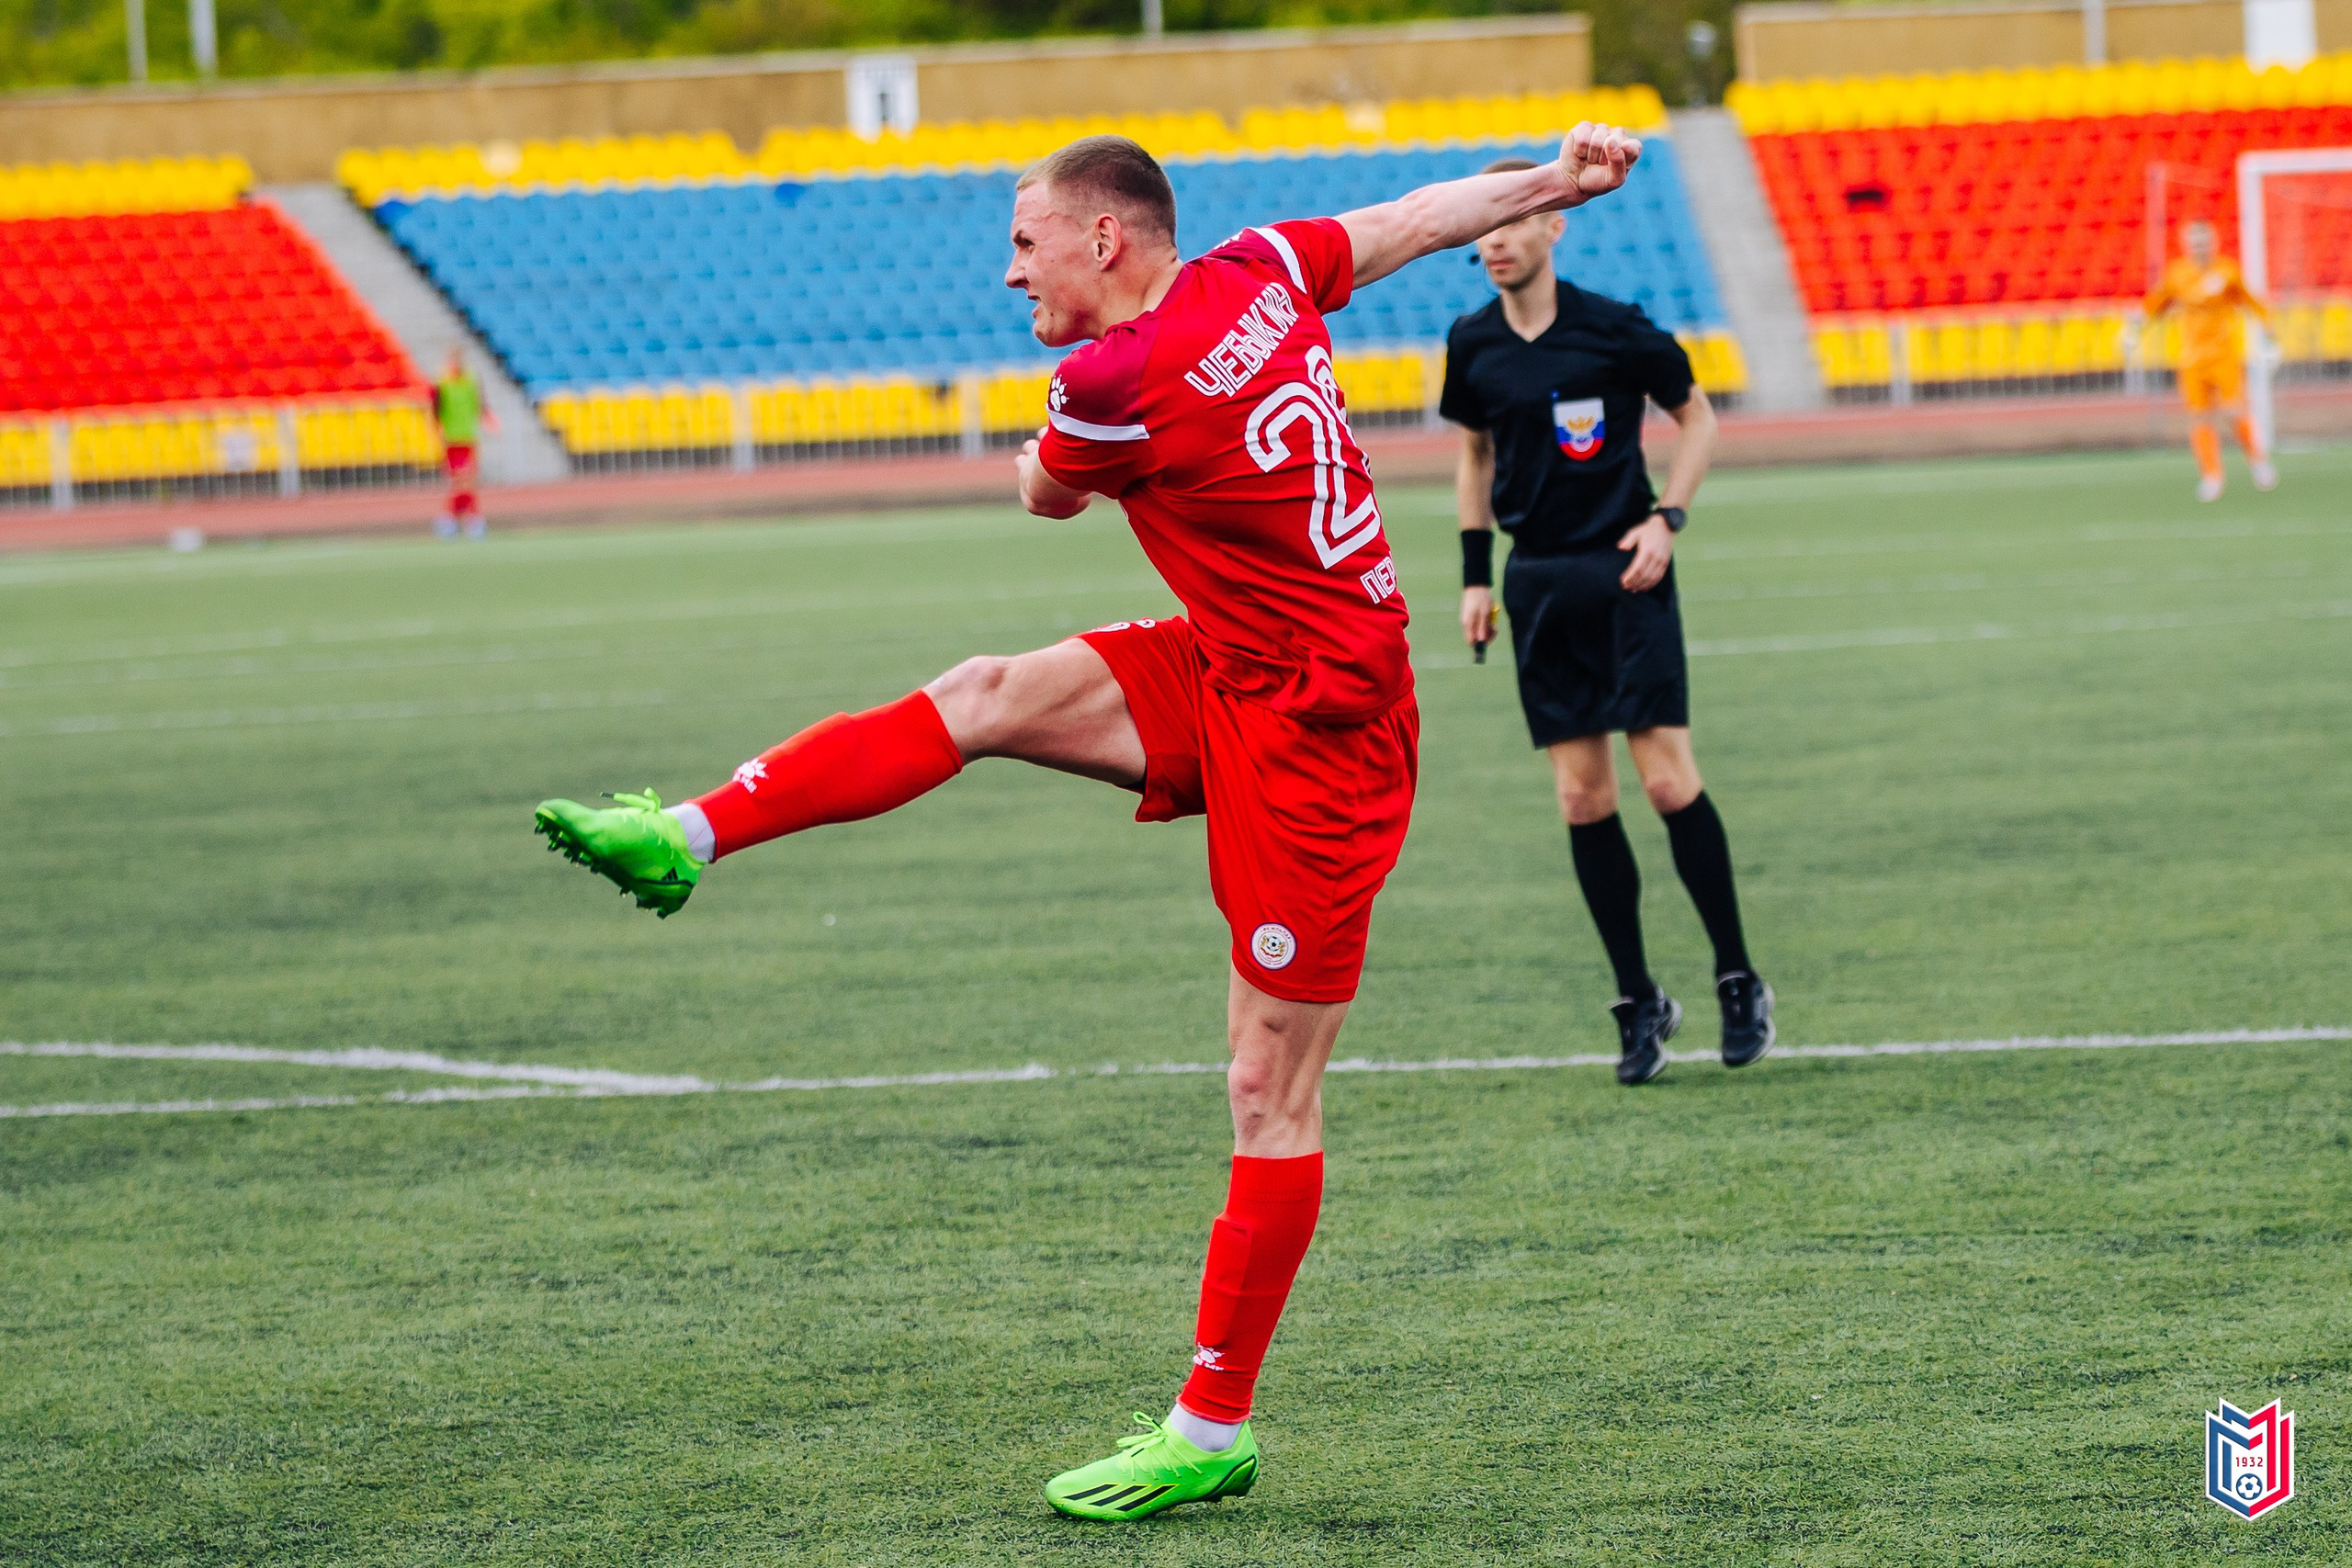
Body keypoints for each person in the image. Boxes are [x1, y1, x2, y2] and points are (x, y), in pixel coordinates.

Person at [530, 125, 1645, 1519]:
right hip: (1232, 660)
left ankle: (1212, 1423)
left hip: (1325, 734)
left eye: (1023, 241)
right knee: (985, 691)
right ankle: (684, 835)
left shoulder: (1116, 377)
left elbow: (1049, 490)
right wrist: (1558, 180)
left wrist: (1036, 455)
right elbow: (1421, 216)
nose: (1011, 273)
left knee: (1264, 1084)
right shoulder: (1252, 271)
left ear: (1103, 239)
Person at [1440, 155, 1771, 1089]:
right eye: (1483, 227)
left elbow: (1697, 417)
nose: (1495, 238)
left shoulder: (1615, 330)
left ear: (1555, 225)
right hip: (1538, 581)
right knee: (1581, 800)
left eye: (1514, 220)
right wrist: (1476, 579)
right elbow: (1473, 457)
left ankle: (1737, 977)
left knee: (1667, 783)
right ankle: (1637, 1001)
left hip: (1625, 572)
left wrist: (1667, 517)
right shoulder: (1472, 343)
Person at [2142, 220, 2278, 502]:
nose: (2200, 247)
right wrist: (2133, 331)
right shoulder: (2177, 274)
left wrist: (2269, 334)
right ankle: (2212, 475)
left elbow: (2253, 303)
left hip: (2224, 355)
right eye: (2195, 242)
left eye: (2204, 241)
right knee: (2200, 418)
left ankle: (2257, 460)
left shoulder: (2227, 271)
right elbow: (2154, 306)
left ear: (2213, 243)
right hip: (2191, 359)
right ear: (2187, 245)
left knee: (2232, 413)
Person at [431, 348, 497, 538]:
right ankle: (468, 520)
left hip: (468, 436)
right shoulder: (442, 382)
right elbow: (436, 408)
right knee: (461, 481)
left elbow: (479, 403)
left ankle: (452, 520)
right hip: (451, 439)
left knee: (467, 481)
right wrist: (437, 430)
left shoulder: (471, 380)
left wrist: (488, 419)